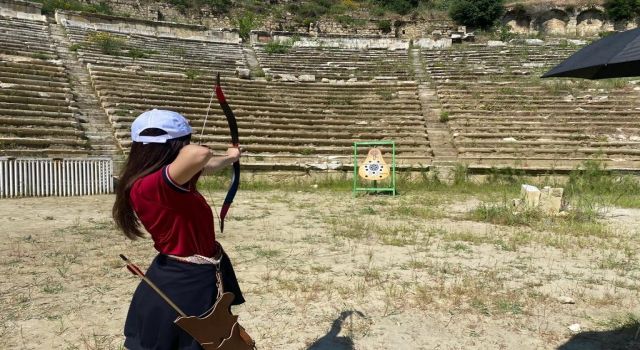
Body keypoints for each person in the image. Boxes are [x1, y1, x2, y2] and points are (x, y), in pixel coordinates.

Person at [112, 109, 244, 349]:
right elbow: (200, 154)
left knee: (212, 338)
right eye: (184, 141)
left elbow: (208, 164)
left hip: (195, 274)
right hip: (183, 281)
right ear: (175, 146)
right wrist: (193, 147)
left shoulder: (163, 177)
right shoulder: (153, 185)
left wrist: (231, 157)